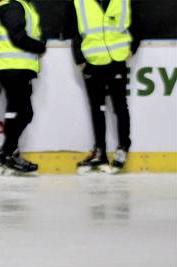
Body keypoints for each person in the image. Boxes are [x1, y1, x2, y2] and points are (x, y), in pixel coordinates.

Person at [65, 0, 140, 174]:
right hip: (93, 62)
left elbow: (137, 25)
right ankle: (100, 152)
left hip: (116, 61)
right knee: (97, 108)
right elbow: (73, 32)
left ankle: (123, 146)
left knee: (120, 105)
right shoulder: (79, 3)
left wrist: (132, 48)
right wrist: (80, 59)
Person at [0, 0, 47, 175]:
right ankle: (6, 153)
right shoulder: (12, 5)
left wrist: (40, 40)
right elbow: (18, 37)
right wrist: (40, 46)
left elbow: (31, 32)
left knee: (19, 112)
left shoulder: (23, 5)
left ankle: (9, 153)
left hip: (17, 67)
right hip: (12, 67)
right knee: (23, 112)